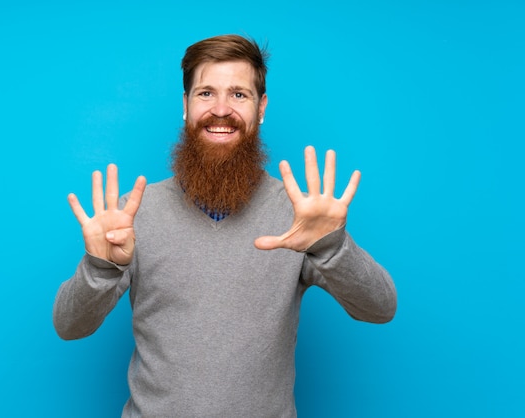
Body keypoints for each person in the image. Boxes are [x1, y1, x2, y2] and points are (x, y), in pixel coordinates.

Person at [53, 34, 397, 417]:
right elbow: (69, 326)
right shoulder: (133, 215)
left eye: (238, 95)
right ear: (185, 105)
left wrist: (332, 246)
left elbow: (380, 308)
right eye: (205, 94)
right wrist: (100, 267)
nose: (221, 110)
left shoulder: (297, 215)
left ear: (261, 107)